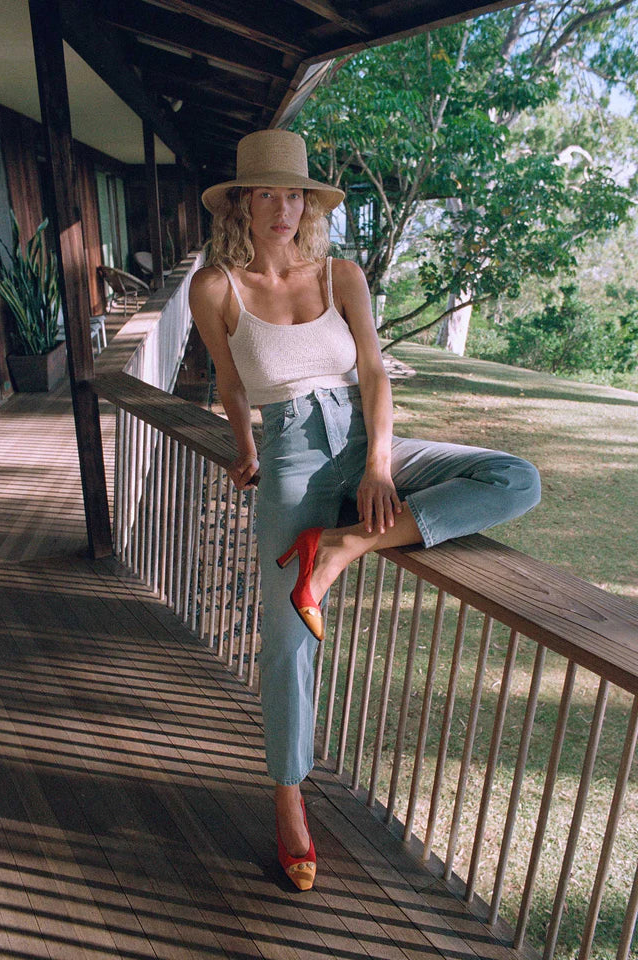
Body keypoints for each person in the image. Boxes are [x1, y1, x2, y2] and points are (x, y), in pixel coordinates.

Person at [189, 128, 541, 892]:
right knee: (287, 642)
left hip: (366, 439)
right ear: (242, 203)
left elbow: (375, 373)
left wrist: (380, 464)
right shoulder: (216, 287)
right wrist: (245, 449)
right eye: (265, 193)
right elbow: (229, 383)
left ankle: (345, 547)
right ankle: (289, 798)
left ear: (308, 203)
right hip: (290, 455)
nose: (282, 208)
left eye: (294, 194)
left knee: (515, 478)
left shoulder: (341, 274)